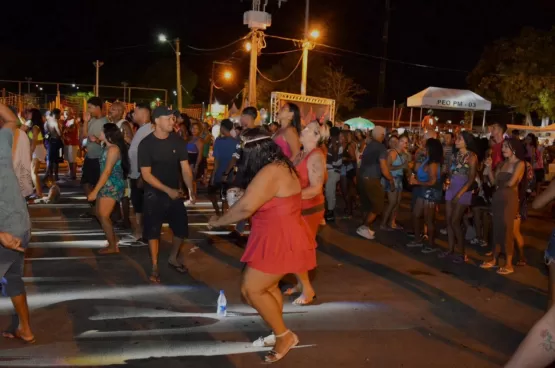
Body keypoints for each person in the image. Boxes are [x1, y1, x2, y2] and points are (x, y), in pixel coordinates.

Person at [208, 127, 314, 363]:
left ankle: (284, 336)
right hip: (272, 235)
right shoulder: (279, 165)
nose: (242, 158)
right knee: (268, 287)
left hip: (279, 237)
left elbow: (245, 207)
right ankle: (277, 331)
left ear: (254, 150)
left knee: (251, 289)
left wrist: (218, 221)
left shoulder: (273, 170)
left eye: (244, 152)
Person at [138, 106, 196, 283]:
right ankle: (155, 266)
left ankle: (172, 258)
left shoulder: (177, 141)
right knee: (153, 231)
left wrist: (190, 189)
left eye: (173, 118)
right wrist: (168, 190)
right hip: (154, 193)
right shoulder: (146, 144)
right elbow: (146, 174)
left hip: (175, 192)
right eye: (169, 118)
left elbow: (185, 168)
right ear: (157, 121)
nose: (173, 121)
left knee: (181, 228)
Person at [0, 104, 34, 344]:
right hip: (20, 224)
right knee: (13, 278)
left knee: (12, 277)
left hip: (6, 230)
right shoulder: (2, 140)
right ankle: (26, 329)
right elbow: (12, 120)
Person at [284, 122, 328, 305]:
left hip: (309, 209)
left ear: (317, 136)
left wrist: (288, 196)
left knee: (298, 248)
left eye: (308, 129)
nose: (303, 131)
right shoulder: (302, 154)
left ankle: (307, 290)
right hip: (297, 207)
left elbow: (316, 188)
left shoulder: (316, 156)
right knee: (293, 246)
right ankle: (301, 285)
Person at [481, 137, 525, 275]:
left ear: (514, 149)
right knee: (496, 229)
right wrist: (488, 168)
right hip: (498, 198)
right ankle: (494, 260)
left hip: (509, 199)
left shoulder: (520, 164)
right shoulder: (501, 164)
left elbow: (511, 183)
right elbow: (493, 182)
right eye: (503, 147)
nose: (503, 149)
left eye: (507, 146)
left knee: (507, 229)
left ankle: (509, 264)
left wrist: (498, 182)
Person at [87, 123, 130, 254]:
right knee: (99, 214)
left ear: (108, 134)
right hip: (106, 183)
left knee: (104, 215)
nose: (99, 132)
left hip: (111, 184)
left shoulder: (113, 150)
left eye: (102, 131)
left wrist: (94, 191)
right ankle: (112, 240)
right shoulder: (108, 146)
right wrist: (97, 140)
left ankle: (112, 246)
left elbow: (107, 171)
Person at [444, 131, 478, 263]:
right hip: (451, 188)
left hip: (463, 190)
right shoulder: (453, 156)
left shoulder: (472, 157)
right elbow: (449, 173)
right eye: (457, 138)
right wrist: (446, 180)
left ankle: (462, 253)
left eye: (459, 139)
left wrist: (459, 194)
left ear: (466, 142)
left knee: (455, 221)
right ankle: (451, 250)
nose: (456, 140)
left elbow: (471, 179)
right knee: (449, 221)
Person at [357, 126, 394, 239]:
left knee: (367, 204)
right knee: (378, 205)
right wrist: (390, 179)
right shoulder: (381, 148)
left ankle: (365, 228)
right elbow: (383, 167)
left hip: (362, 177)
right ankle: (364, 226)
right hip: (372, 179)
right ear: (382, 135)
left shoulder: (369, 145)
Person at [128, 103, 152, 243]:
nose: (133, 115)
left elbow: (147, 154)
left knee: (142, 205)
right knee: (138, 204)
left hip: (141, 175)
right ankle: (141, 231)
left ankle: (143, 232)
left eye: (135, 112)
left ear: (143, 114)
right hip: (136, 174)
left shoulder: (148, 129)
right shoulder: (142, 129)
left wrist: (142, 175)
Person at [81, 97, 109, 217]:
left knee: (97, 184)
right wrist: (86, 121)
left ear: (98, 108)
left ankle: (99, 210)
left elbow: (106, 141)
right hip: (90, 156)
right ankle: (94, 208)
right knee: (85, 183)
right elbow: (84, 135)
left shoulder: (105, 122)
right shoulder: (91, 120)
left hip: (98, 158)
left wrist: (96, 140)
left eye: (91, 107)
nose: (89, 110)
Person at [208, 119, 237, 215]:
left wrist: (213, 175)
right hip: (230, 173)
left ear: (223, 128)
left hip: (219, 171)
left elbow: (216, 160)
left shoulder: (218, 141)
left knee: (212, 193)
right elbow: (235, 159)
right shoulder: (236, 141)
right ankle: (225, 214)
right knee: (225, 195)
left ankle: (218, 213)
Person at [26, 109, 46, 197]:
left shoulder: (35, 127)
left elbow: (34, 141)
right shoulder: (34, 126)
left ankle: (39, 192)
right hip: (37, 148)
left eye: (29, 113)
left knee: (33, 172)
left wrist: (30, 151)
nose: (28, 114)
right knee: (33, 172)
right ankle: (37, 190)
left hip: (36, 149)